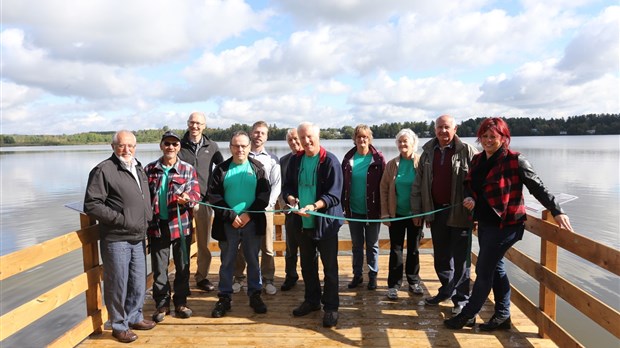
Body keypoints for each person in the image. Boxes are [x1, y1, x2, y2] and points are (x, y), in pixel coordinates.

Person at [444, 117, 573, 330]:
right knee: (496, 270)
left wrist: (556, 210)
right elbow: (470, 184)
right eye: (484, 136)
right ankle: (503, 316)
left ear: (504, 138)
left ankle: (467, 315)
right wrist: (471, 197)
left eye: (493, 137)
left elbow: (538, 187)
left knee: (484, 271)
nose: (487, 140)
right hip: (485, 224)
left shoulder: (515, 160)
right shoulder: (477, 160)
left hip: (506, 226)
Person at [84, 130, 155, 343]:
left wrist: (147, 217)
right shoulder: (103, 170)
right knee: (118, 283)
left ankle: (134, 317)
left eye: (131, 145)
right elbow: (92, 204)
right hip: (117, 238)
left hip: (138, 236)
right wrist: (120, 219)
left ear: (136, 146)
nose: (127, 150)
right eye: (122, 145)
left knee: (137, 281)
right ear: (113, 146)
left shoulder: (138, 167)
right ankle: (118, 325)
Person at [411, 114, 478, 314]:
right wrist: (418, 212)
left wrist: (477, 210)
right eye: (439, 127)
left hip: (460, 214)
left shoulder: (467, 151)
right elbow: (418, 184)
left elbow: (479, 182)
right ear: (435, 130)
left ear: (455, 129)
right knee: (441, 256)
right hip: (436, 213)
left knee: (461, 260)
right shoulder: (428, 152)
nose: (443, 131)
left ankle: (461, 299)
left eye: (447, 127)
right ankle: (446, 290)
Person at [282, 122, 344, 328]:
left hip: (325, 224)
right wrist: (291, 199)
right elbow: (288, 186)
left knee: (330, 268)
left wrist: (314, 206)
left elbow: (334, 195)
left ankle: (331, 308)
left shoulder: (330, 161)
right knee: (307, 266)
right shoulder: (295, 160)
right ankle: (312, 301)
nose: (306, 141)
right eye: (302, 138)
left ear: (318, 136)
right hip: (302, 223)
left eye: (309, 137)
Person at [209, 131, 271, 318]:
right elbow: (214, 196)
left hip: (251, 222)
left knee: (253, 260)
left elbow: (264, 195)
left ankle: (255, 294)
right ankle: (225, 297)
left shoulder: (258, 168)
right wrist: (230, 215)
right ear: (230, 147)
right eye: (236, 145)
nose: (240, 149)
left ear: (249, 147)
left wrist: (248, 215)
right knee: (227, 261)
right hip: (228, 223)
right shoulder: (221, 169)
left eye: (243, 146)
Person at [145, 131, 201, 323]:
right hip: (157, 226)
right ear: (161, 145)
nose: (170, 147)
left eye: (174, 144)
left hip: (181, 226)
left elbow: (195, 193)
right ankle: (162, 304)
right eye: (167, 143)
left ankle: (181, 302)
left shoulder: (187, 169)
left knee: (182, 266)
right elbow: (143, 197)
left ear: (179, 147)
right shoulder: (149, 169)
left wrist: (188, 199)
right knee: (159, 269)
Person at [233, 121, 281, 295]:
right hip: (245, 210)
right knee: (242, 246)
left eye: (262, 133)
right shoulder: (241, 154)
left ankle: (268, 279)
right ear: (251, 134)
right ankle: (238, 277)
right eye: (256, 132)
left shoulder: (272, 159)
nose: (259, 135)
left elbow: (277, 184)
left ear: (267, 137)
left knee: (267, 246)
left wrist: (268, 205)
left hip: (264, 210)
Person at [178, 112, 224, 292]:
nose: (194, 126)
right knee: (182, 242)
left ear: (204, 126)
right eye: (192, 122)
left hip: (204, 200)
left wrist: (217, 192)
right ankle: (182, 279)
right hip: (182, 201)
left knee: (204, 242)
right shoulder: (178, 145)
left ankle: (201, 277)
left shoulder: (211, 146)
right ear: (187, 123)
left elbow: (222, 169)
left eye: (198, 123)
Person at [380, 129, 424, 300]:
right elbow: (383, 188)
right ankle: (393, 285)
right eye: (399, 141)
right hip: (396, 214)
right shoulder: (392, 164)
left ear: (413, 143)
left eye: (406, 141)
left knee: (414, 249)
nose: (402, 144)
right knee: (395, 250)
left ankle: (413, 282)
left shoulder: (421, 162)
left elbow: (427, 189)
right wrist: (385, 213)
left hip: (416, 215)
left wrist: (423, 213)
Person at [341, 124, 385, 290]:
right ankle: (357, 275)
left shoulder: (378, 159)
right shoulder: (348, 159)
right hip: (353, 211)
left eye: (365, 137)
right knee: (356, 246)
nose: (362, 140)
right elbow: (342, 185)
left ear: (369, 138)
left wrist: (383, 210)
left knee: (373, 245)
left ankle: (373, 276)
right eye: (359, 137)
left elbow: (384, 185)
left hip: (372, 211)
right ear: (355, 139)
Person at [279, 128, 303, 291]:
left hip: (310, 210)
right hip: (291, 210)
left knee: (310, 246)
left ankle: (311, 275)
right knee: (290, 247)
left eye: (296, 139)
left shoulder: (311, 157)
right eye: (290, 141)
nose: (294, 143)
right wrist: (286, 206)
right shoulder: (284, 160)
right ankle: (291, 275)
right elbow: (282, 186)